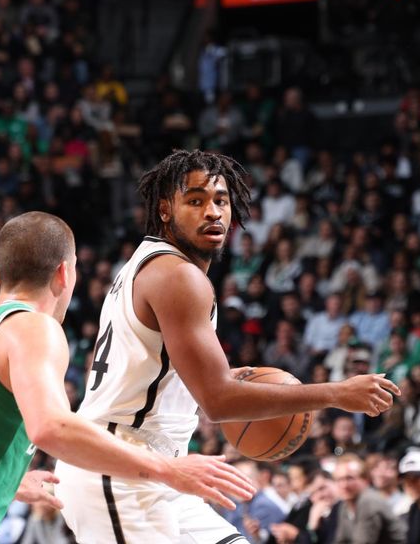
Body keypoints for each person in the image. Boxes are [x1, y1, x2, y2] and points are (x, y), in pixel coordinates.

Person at [0, 212, 255, 543]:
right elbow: (51, 427)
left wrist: (8, 482)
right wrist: (169, 470)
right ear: (65, 275)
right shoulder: (34, 326)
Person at [55, 149, 400, 544]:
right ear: (165, 210)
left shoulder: (151, 265)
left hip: (157, 468)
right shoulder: (177, 276)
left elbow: (156, 372)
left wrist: (212, 380)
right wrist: (337, 393)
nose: (214, 212)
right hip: (117, 469)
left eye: (220, 200)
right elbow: (218, 401)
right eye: (196, 200)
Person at [333, 453, 406, 544]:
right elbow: (341, 540)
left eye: (350, 478)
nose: (344, 485)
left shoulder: (368, 501)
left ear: (364, 480)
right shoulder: (345, 505)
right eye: (339, 479)